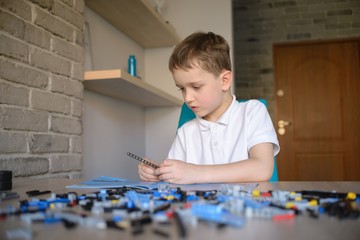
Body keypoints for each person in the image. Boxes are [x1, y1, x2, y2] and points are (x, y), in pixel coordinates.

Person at [138, 32, 280, 184]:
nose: (187, 97)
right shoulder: (186, 132)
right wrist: (159, 173)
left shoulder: (252, 112)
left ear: (224, 80)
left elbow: (262, 168)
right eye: (182, 88)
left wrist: (196, 173)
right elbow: (177, 178)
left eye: (196, 86)